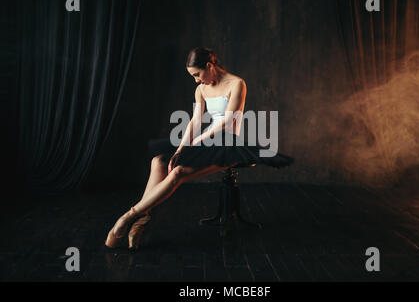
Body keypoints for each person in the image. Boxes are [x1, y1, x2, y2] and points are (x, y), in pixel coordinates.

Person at [105, 47, 293, 250]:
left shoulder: (237, 84)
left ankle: (127, 217)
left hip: (227, 143)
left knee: (177, 172)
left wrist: (200, 140)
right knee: (158, 161)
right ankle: (141, 222)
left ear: (210, 66)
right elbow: (195, 121)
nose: (195, 80)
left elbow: (228, 121)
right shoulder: (201, 89)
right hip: (205, 141)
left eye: (197, 74)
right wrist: (181, 149)